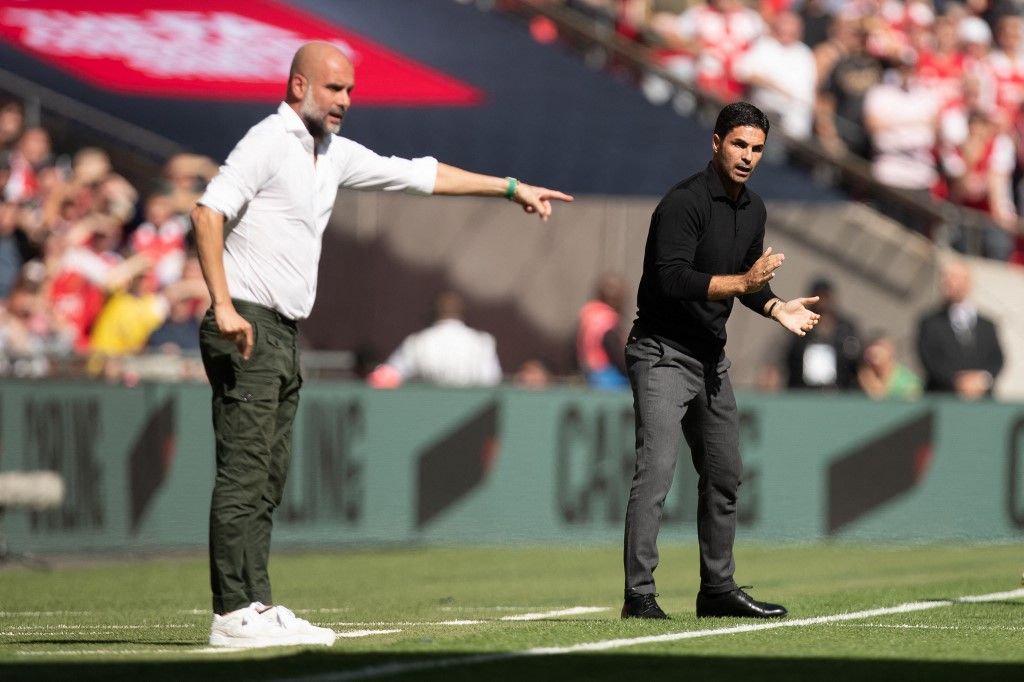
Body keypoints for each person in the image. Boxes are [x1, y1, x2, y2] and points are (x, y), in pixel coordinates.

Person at [191, 41, 572, 648]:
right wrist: (224, 305)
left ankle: (254, 604)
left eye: (350, 91)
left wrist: (508, 187)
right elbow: (207, 213)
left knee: (268, 474)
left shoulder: (332, 154)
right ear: (298, 87)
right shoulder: (267, 141)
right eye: (334, 88)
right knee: (245, 470)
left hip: (282, 330)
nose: (345, 101)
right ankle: (233, 611)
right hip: (248, 324)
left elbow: (421, 174)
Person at [622, 102, 819, 620]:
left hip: (711, 359)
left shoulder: (753, 209)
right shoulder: (684, 202)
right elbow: (673, 278)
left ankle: (717, 590)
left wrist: (775, 304)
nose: (747, 156)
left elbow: (750, 282)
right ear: (715, 143)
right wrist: (742, 285)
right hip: (662, 352)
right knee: (656, 472)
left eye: (756, 148)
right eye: (738, 144)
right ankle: (638, 596)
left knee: (726, 474)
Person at [367, 291, 502, 388]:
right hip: (472, 415)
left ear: (434, 312)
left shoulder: (417, 342)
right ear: (462, 312)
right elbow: (491, 381)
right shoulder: (482, 343)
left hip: (425, 414)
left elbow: (388, 377)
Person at [916, 259, 1003, 399]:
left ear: (968, 282)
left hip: (981, 401)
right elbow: (929, 358)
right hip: (943, 398)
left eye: (954, 277)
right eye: (945, 277)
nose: (948, 282)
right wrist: (957, 381)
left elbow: (997, 358)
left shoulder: (987, 325)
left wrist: (982, 380)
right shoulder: (930, 323)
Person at [783, 277, 861, 390]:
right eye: (817, 297)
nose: (822, 303)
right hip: (804, 392)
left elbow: (855, 362)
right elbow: (788, 358)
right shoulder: (799, 326)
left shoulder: (846, 329)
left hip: (839, 392)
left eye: (825, 297)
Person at [576, 272, 629, 389]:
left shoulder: (588, 314)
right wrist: (629, 371)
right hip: (608, 376)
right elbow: (613, 348)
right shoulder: (608, 319)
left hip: (589, 372)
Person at [857, 331, 923, 400]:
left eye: (881, 347)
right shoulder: (860, 376)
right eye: (872, 347)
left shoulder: (909, 382)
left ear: (890, 350)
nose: (875, 351)